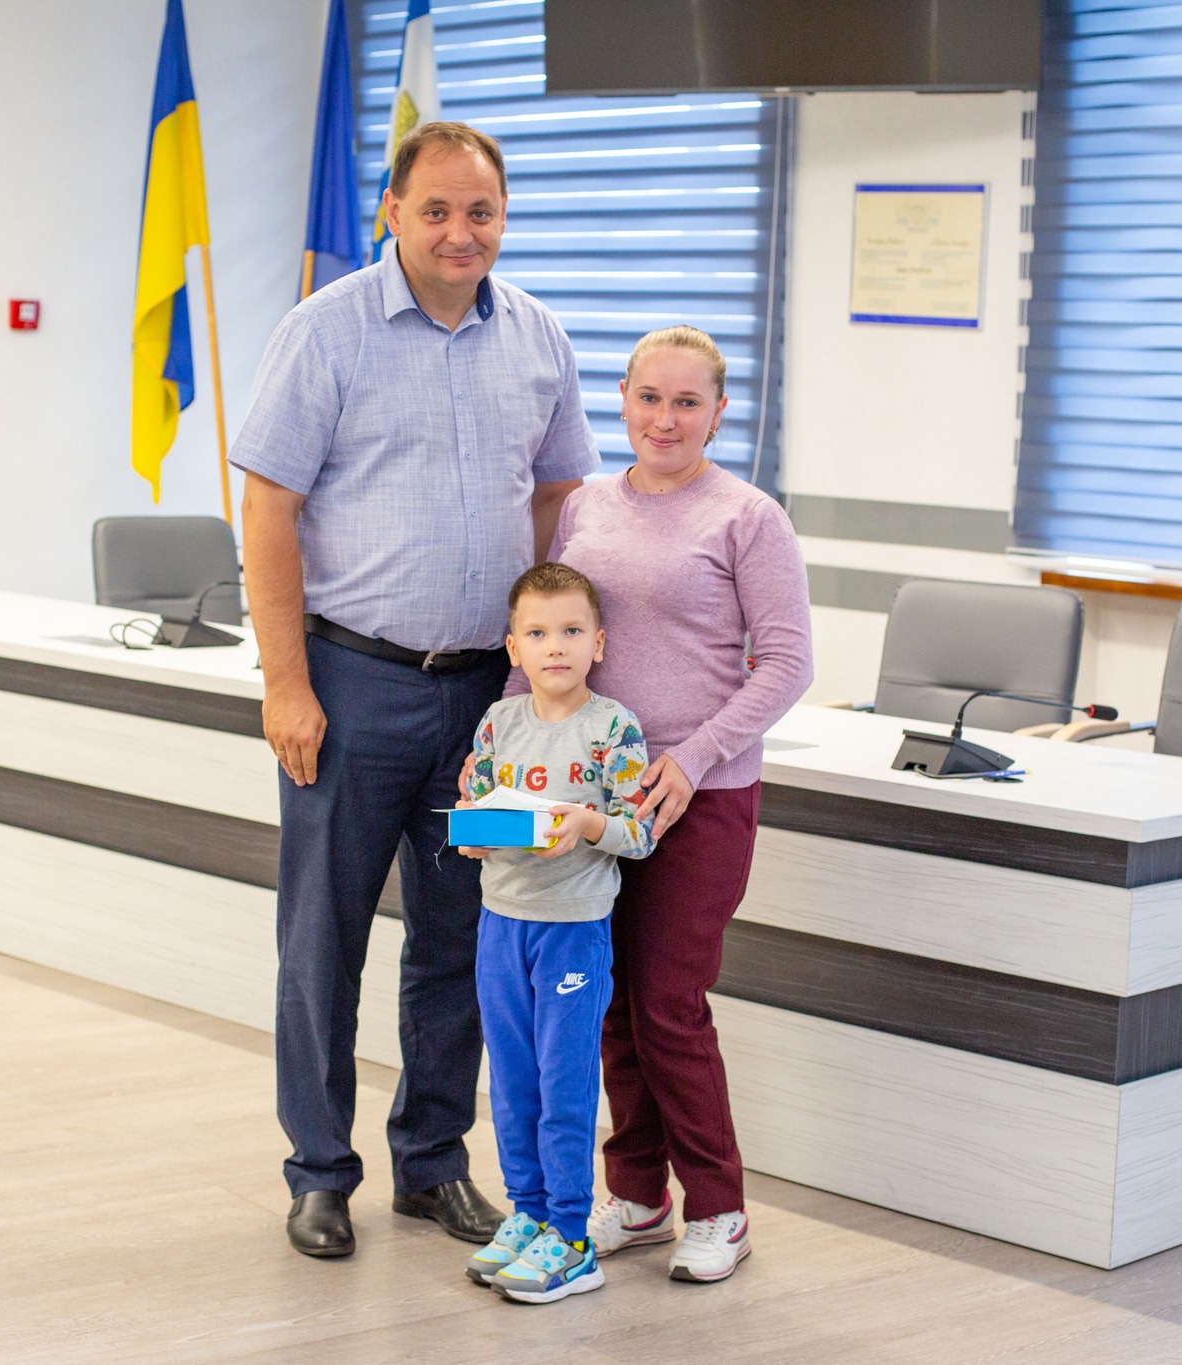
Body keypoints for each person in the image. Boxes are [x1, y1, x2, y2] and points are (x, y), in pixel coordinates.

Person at [231, 122, 600, 1259]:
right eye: (434, 210)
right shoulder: (325, 330)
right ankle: (319, 1172)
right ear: (392, 212)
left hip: (488, 706)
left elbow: (556, 501)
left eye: (479, 212)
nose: (458, 232)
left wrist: (544, 667)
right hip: (351, 688)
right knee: (324, 943)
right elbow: (269, 509)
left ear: (504, 218)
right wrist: (285, 683)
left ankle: (431, 1163)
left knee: (464, 940)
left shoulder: (535, 336)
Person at [480, 325, 814, 1282]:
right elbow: (545, 637)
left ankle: (719, 1206)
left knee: (668, 1003)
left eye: (687, 402)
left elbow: (788, 663)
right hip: (590, 798)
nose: (665, 419)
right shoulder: (585, 505)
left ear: (719, 412)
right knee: (609, 1005)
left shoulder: (748, 517)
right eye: (649, 398)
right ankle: (636, 1194)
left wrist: (694, 758)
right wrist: (504, 762)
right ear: (622, 400)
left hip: (700, 797)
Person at [455, 563, 654, 1305]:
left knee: (562, 1083)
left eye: (572, 631)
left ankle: (571, 1238)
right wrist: (473, 834)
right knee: (512, 1082)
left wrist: (590, 823)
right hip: (500, 925)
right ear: (514, 648)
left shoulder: (613, 727)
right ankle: (529, 1214)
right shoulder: (498, 722)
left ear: (598, 642)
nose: (556, 646)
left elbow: (641, 831)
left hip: (572, 932)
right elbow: (475, 809)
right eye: (538, 633)